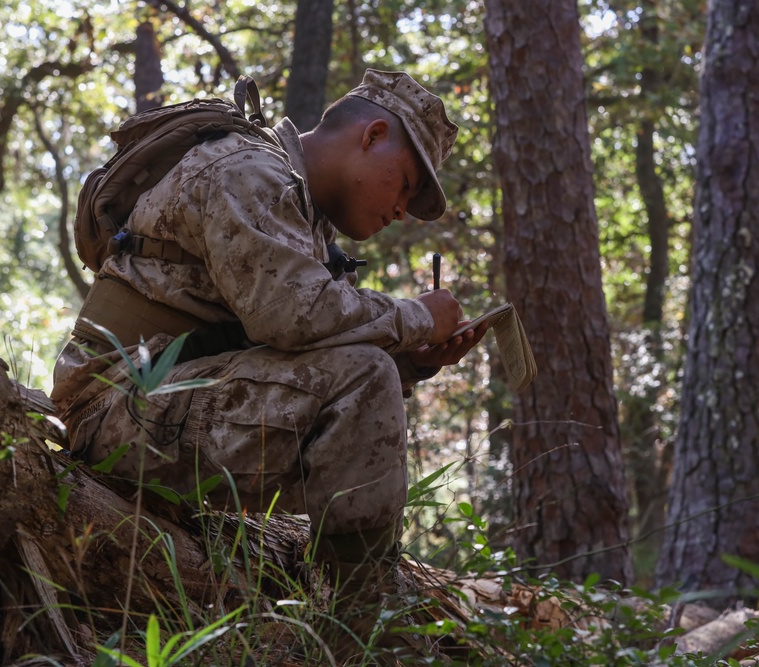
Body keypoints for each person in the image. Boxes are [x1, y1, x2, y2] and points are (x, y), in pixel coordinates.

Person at [51, 69, 486, 660]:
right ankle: (367, 631)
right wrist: (416, 317)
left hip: (162, 400)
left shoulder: (298, 210)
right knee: (365, 373)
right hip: (115, 406)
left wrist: (411, 363)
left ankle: (355, 612)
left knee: (371, 371)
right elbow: (293, 318)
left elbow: (289, 351)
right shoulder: (247, 170)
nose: (403, 210)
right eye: (405, 184)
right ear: (373, 134)